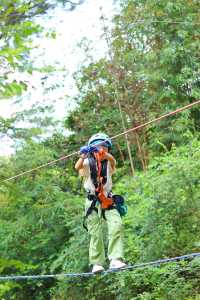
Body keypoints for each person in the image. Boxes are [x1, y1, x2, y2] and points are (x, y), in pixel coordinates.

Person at [75, 133, 126, 273]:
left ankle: (115, 259)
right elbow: (77, 167)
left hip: (108, 199)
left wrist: (105, 154)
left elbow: (113, 161)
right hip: (92, 201)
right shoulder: (87, 162)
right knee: (95, 232)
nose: (101, 149)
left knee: (117, 225)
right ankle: (97, 263)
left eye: (104, 146)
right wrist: (83, 155)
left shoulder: (109, 162)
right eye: (98, 147)